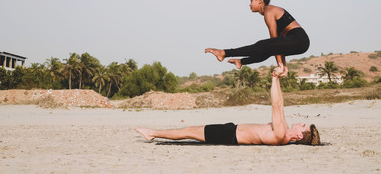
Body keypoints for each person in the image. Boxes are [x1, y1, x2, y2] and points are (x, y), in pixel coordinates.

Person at [135, 68, 320, 146]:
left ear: (298, 135)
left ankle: (152, 133)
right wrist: (277, 79)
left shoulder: (281, 133)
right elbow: (281, 105)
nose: (300, 123)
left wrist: (274, 78)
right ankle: (153, 133)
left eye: (302, 126)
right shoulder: (282, 133)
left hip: (229, 135)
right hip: (231, 131)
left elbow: (276, 105)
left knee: (189, 131)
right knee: (190, 130)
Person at [205, 0, 310, 76]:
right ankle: (240, 61)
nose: (250, 4)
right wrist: (284, 66)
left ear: (260, 1)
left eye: (251, 1)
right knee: (266, 49)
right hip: (299, 42)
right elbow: (278, 45)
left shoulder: (269, 10)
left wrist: (281, 65)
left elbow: (275, 41)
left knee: (263, 45)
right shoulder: (269, 12)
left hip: (299, 39)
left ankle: (224, 52)